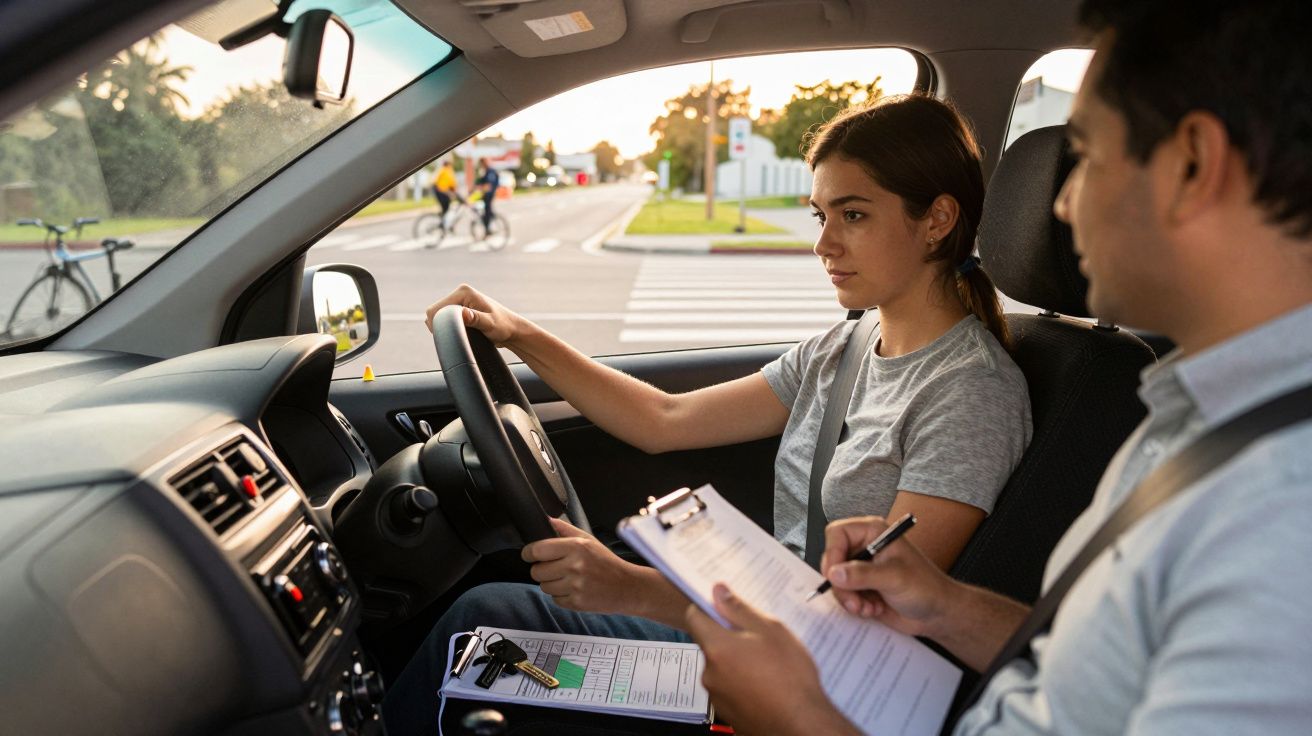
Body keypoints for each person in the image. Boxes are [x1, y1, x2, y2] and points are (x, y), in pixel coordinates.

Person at [684, 1, 1312, 734]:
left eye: (1090, 160)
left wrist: (795, 718)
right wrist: (946, 605)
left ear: (1193, 165)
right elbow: (1087, 671)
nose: (1065, 205)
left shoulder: (1279, 516)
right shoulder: (1190, 420)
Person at [381, 94, 1034, 734]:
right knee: (491, 623)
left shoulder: (970, 391)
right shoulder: (845, 346)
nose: (824, 244)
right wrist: (519, 333)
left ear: (937, 220)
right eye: (820, 216)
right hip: (764, 634)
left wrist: (633, 588)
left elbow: (875, 619)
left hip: (818, 686)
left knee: (485, 621)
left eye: (854, 215)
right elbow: (665, 420)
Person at [430, 159, 464, 228]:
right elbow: (451, 184)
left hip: (439, 190)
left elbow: (452, 184)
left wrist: (453, 192)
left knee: (446, 208)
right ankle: (444, 224)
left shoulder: (444, 170)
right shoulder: (446, 171)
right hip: (440, 191)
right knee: (446, 206)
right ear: (448, 165)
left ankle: (444, 222)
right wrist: (451, 193)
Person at [474, 157, 500, 238]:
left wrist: (481, 188)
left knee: (487, 212)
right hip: (486, 194)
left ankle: (488, 229)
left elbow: (489, 185)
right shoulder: (485, 171)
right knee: (484, 210)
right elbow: (480, 182)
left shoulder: (490, 171)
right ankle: (487, 226)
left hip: (488, 194)